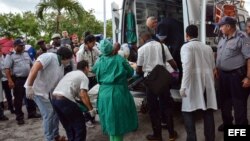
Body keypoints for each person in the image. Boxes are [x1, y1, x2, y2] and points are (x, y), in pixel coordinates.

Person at [92, 39, 138, 141]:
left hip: (104, 93)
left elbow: (94, 71)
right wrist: (121, 76)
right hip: (118, 92)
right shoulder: (119, 59)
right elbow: (130, 72)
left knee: (110, 121)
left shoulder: (99, 61)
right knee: (118, 123)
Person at [25, 47, 73, 141]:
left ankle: (55, 136)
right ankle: (49, 138)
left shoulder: (61, 66)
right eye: (69, 59)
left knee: (55, 112)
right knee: (49, 113)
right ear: (65, 57)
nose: (69, 61)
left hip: (46, 92)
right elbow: (34, 68)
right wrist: (29, 86)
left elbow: (56, 84)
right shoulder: (49, 57)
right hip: (36, 90)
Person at [136, 32, 177, 141]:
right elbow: (173, 64)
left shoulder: (142, 49)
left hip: (151, 81)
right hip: (163, 80)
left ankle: (157, 135)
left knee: (153, 109)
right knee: (167, 106)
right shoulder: (162, 46)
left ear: (143, 38)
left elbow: (138, 70)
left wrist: (144, 68)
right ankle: (172, 134)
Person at [180, 25, 217, 141]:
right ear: (197, 34)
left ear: (187, 35)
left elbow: (187, 67)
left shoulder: (186, 47)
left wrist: (183, 87)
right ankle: (210, 138)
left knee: (188, 111)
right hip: (207, 84)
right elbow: (213, 67)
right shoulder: (208, 48)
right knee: (207, 111)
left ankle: (191, 139)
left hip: (192, 83)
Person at [216, 16, 250, 131]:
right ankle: (228, 124)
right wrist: (217, 68)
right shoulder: (223, 37)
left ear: (228, 26)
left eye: (221, 26)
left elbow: (249, 58)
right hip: (223, 75)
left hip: (236, 76)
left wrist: (248, 77)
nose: (220, 28)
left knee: (238, 104)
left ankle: (240, 129)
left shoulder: (242, 37)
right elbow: (220, 54)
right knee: (225, 102)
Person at [52, 60, 96, 141]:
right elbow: (83, 94)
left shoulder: (71, 73)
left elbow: (77, 94)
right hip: (65, 100)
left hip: (55, 99)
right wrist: (91, 109)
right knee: (79, 126)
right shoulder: (83, 76)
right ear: (86, 68)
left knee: (69, 126)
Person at [4, 39, 40, 125]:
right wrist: (10, 81)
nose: (23, 47)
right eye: (20, 46)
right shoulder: (10, 56)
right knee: (18, 99)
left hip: (28, 78)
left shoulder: (26, 53)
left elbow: (32, 65)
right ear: (15, 46)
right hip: (18, 80)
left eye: (23, 45)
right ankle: (19, 117)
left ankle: (32, 113)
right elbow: (7, 69)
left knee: (30, 96)